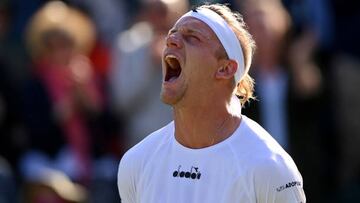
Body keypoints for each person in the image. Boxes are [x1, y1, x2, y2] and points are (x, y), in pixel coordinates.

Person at [117, 3, 306, 203]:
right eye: (172, 33)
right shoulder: (136, 162)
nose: (170, 40)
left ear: (225, 69)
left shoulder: (269, 167)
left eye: (192, 37)